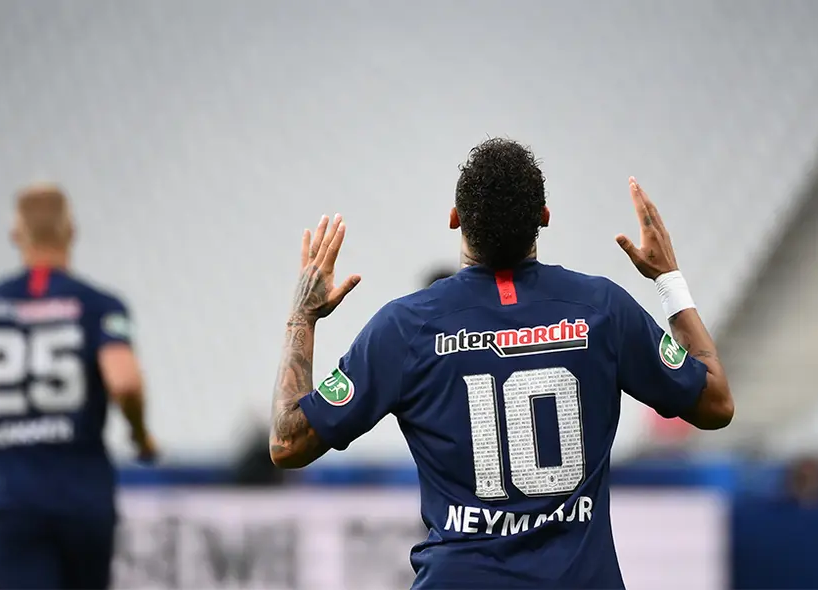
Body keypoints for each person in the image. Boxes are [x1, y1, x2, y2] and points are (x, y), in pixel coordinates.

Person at [267, 138, 734, 589]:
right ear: (544, 218)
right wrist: (668, 279)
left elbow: (288, 443)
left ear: (455, 219)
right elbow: (715, 403)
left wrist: (302, 318)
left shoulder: (406, 328)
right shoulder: (603, 310)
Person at [0, 184, 157, 590]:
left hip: (13, 502)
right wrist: (140, 434)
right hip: (85, 501)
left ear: (16, 235)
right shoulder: (99, 306)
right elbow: (125, 383)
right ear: (72, 231)